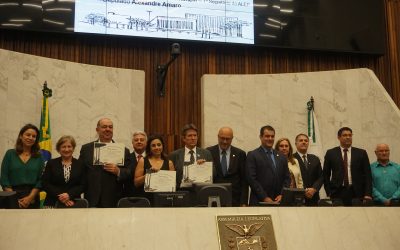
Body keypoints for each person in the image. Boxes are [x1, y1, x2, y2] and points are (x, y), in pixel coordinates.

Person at [79, 118, 132, 207]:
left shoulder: (123, 150)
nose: (107, 129)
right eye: (104, 127)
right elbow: (80, 171)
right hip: (92, 199)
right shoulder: (86, 149)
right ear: (97, 130)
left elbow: (129, 172)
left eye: (110, 127)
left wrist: (118, 171)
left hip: (114, 199)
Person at [323, 127, 372, 206]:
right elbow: (325, 174)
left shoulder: (361, 153)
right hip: (337, 192)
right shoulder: (331, 153)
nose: (348, 137)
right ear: (339, 137)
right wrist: (329, 192)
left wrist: (368, 194)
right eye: (345, 135)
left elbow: (368, 175)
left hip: (357, 192)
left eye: (350, 135)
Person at [0, 124, 45, 208]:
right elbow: (4, 178)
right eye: (28, 135)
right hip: (11, 195)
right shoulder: (10, 154)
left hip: (32, 198)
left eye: (34, 136)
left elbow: (41, 180)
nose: (31, 138)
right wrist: (13, 199)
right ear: (21, 136)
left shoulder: (39, 157)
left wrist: (30, 198)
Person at [246, 125, 290, 206]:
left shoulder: (281, 156)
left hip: (279, 202)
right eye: (267, 136)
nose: (270, 139)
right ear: (260, 137)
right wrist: (264, 197)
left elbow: (287, 178)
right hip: (259, 201)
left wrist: (282, 194)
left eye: (272, 136)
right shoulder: (252, 155)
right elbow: (252, 179)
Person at [207, 127, 248, 206]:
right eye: (222, 138)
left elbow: (244, 180)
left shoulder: (240, 154)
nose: (225, 141)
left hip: (235, 200)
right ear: (218, 137)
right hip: (213, 199)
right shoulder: (209, 152)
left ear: (232, 139)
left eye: (228, 139)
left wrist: (244, 202)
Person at [42, 135, 85, 207]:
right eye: (63, 147)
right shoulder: (51, 163)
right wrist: (62, 196)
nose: (66, 149)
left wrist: (69, 195)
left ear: (73, 148)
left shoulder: (80, 164)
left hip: (74, 202)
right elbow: (45, 184)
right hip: (52, 202)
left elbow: (83, 185)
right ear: (59, 149)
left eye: (69, 146)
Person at [169, 123, 213, 188]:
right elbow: (171, 177)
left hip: (200, 191)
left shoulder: (206, 153)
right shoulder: (174, 155)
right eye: (190, 136)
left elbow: (214, 173)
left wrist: (204, 166)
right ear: (184, 138)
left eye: (195, 135)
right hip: (182, 192)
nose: (193, 138)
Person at [134, 135, 175, 203]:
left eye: (159, 145)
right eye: (153, 145)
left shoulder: (169, 163)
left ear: (162, 146)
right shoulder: (142, 161)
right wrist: (148, 174)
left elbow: (173, 185)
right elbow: (136, 183)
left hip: (164, 200)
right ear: (149, 148)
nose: (157, 147)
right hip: (146, 200)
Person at [293, 133, 324, 206]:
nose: (304, 142)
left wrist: (314, 189)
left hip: (314, 197)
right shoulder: (291, 158)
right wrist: (304, 190)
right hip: (297, 197)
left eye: (306, 141)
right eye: (301, 140)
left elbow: (321, 177)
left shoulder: (315, 158)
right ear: (296, 143)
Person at [122, 131, 148, 197]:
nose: (139, 142)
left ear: (146, 143)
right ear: (132, 143)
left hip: (148, 198)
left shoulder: (151, 159)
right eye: (136, 140)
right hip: (128, 197)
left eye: (142, 140)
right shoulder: (125, 158)